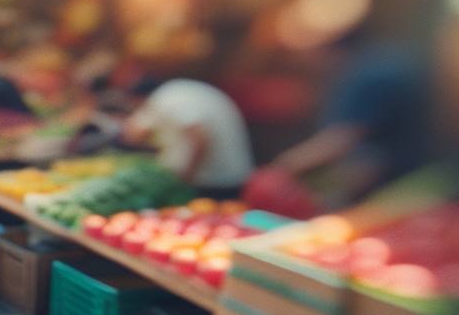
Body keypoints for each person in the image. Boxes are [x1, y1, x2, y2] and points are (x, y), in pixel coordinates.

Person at [264, 42, 429, 209]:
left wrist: (280, 168)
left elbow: (340, 140)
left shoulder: (374, 76)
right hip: (395, 186)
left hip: (393, 194)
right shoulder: (375, 62)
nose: (296, 63)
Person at [121, 77, 254, 195]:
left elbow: (200, 138)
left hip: (215, 183)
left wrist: (185, 178)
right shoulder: (177, 92)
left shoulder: (166, 99)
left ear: (139, 99)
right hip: (230, 178)